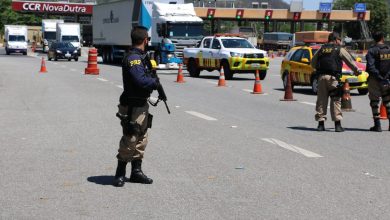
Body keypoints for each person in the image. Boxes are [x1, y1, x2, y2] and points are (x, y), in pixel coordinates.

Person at [113, 26, 160, 187]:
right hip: (131, 105)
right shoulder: (134, 58)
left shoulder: (143, 57)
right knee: (130, 138)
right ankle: (120, 173)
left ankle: (136, 172)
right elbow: (140, 80)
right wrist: (154, 83)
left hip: (141, 104)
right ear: (145, 40)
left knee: (141, 138)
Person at [311, 32, 361, 132]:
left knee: (321, 100)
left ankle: (321, 125)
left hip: (321, 78)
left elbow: (313, 63)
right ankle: (337, 125)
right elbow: (349, 61)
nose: (340, 42)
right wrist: (356, 71)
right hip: (333, 79)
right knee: (335, 100)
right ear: (336, 39)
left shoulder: (322, 49)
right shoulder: (339, 49)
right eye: (340, 40)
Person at [365, 31, 390, 132]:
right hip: (387, 79)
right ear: (383, 38)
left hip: (375, 79)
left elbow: (370, 66)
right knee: (387, 102)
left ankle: (377, 125)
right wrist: (386, 76)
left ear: (374, 39)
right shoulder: (388, 49)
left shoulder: (371, 50)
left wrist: (379, 76)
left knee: (374, 102)